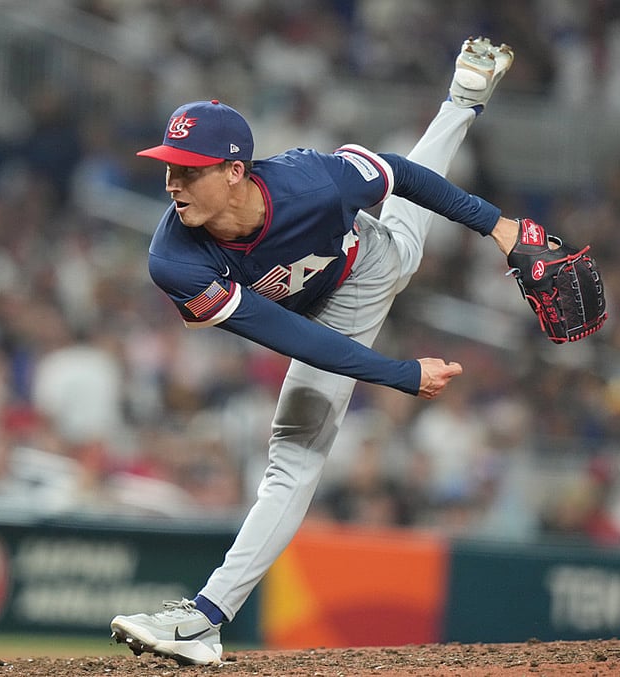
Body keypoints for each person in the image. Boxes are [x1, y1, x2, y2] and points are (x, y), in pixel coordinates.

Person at [112, 36, 520, 665]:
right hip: (309, 306)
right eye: (168, 166)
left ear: (234, 171)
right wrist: (398, 374)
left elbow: (400, 174)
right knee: (407, 235)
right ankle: (464, 96)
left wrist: (498, 226)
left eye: (187, 170)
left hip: (358, 271)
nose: (172, 183)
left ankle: (202, 619)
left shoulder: (312, 181)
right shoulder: (174, 259)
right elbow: (289, 337)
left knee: (293, 458)